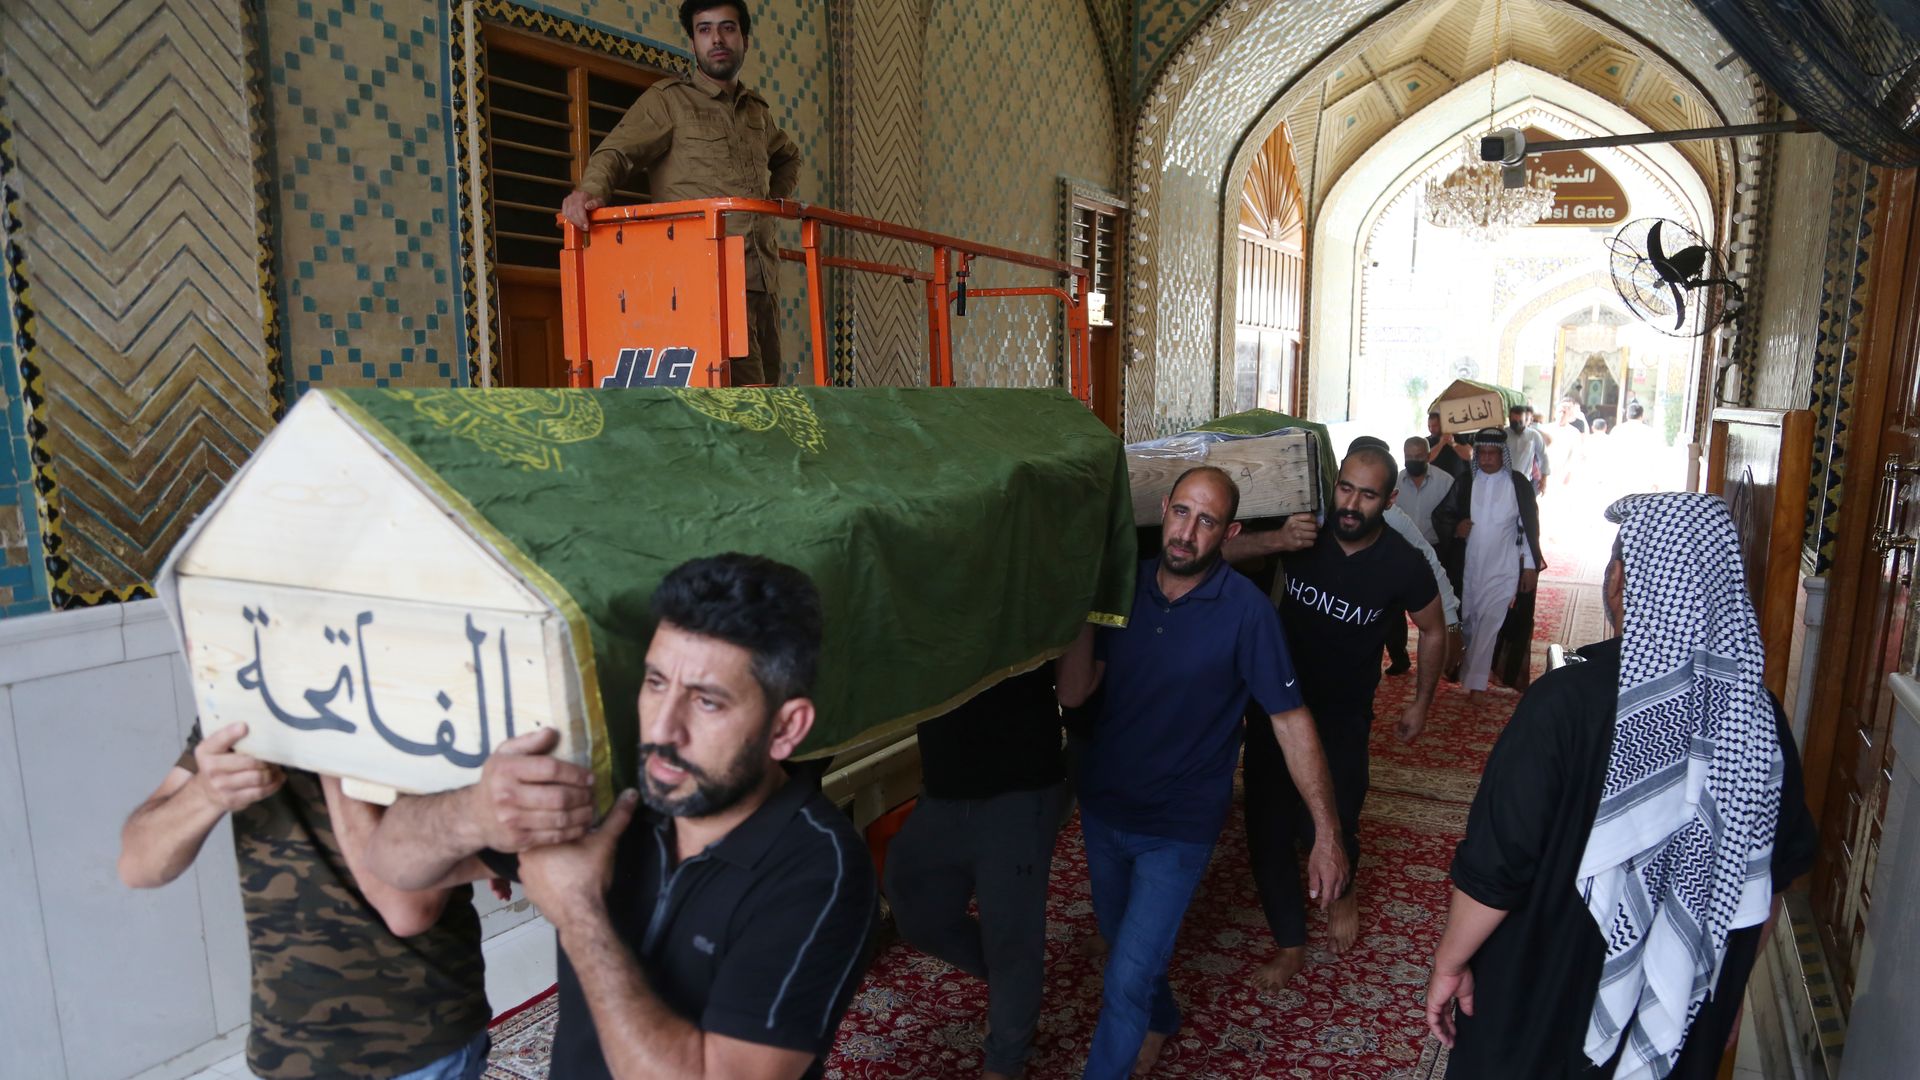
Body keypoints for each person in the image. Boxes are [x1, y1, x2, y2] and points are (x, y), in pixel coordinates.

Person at [366, 554, 876, 1080]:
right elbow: (394, 864)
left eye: (707, 702)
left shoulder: (821, 870)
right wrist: (475, 811)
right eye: (656, 683)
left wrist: (580, 911)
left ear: (786, 728)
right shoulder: (616, 797)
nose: (664, 729)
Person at [1425, 493, 1818, 1079]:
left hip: (1538, 1017)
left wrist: (1449, 965)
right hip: (1677, 1017)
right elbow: (1762, 891)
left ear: (1618, 580)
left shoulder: (1561, 705)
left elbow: (1497, 866)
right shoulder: (1756, 720)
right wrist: (1718, 986)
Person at [1056, 466, 1347, 1079]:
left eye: (1207, 520)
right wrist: (1082, 605)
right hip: (1106, 809)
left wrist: (1326, 831)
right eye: (1182, 512)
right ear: (1163, 509)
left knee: (1127, 973)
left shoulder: (1247, 614)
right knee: (1128, 949)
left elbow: (1292, 722)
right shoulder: (1123, 589)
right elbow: (1077, 692)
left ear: (1228, 531)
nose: (1188, 532)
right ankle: (1161, 1019)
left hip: (1179, 826)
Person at [117, 728, 492, 1079]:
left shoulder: (407, 696)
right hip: (288, 1043)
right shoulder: (247, 696)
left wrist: (324, 740)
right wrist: (205, 793)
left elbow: (407, 909)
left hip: (417, 1042)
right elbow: (137, 866)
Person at [1231, 444, 1446, 989]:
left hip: (1343, 717)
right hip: (1276, 707)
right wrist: (1278, 540)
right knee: (1267, 826)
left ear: (1389, 500)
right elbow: (1221, 554)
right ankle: (1289, 942)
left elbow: (1436, 628)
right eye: (1345, 488)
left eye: (1367, 495)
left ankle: (1342, 891)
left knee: (1333, 820)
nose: (1350, 504)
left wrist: (1421, 700)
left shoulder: (1402, 562)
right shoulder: (1302, 533)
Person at [559, 1, 800, 386]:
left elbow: (788, 157)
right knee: (738, 407)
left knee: (769, 397)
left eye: (727, 28)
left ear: (745, 40)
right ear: (693, 43)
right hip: (702, 283)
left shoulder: (757, 112)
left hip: (761, 278)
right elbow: (618, 151)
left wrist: (773, 204)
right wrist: (589, 191)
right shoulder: (669, 101)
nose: (717, 39)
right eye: (704, 30)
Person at [884, 668, 1069, 1080]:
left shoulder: (1031, 603)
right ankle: (1014, 993)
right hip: (944, 784)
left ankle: (1005, 1061)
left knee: (1012, 937)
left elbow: (1072, 686)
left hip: (1019, 788)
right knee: (913, 902)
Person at [1432, 428, 1544, 705]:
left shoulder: (1517, 484)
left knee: (1491, 623)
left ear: (1502, 455)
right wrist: (1456, 528)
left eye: (1492, 453)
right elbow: (1442, 514)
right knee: (1469, 624)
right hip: (1468, 569)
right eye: (1481, 452)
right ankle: (1471, 673)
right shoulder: (1466, 481)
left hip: (1503, 569)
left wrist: (1529, 566)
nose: (1486, 458)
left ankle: (1476, 685)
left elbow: (1528, 528)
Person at [1505, 404, 1550, 496]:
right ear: (1509, 419)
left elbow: (1544, 456)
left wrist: (1544, 479)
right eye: (1514, 422)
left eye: (1520, 422)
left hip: (1525, 481)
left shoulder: (1533, 435)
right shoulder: (1504, 435)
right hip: (1504, 481)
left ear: (1526, 420)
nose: (1517, 425)